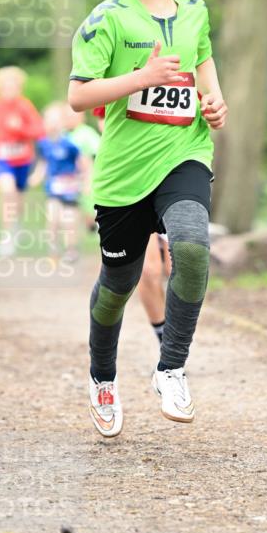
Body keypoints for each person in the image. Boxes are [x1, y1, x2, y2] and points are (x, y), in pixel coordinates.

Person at [68, 0, 227, 437]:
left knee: (191, 245)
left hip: (185, 151)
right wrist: (139, 79)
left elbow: (202, 59)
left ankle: (172, 366)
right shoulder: (105, 20)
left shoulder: (195, 9)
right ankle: (102, 377)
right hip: (123, 171)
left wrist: (214, 98)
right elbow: (79, 97)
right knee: (120, 281)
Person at [92, 105, 173, 350]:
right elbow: (104, 119)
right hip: (136, 183)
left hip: (175, 178)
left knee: (176, 267)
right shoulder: (123, 70)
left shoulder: (187, 69)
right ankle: (165, 345)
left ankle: (177, 334)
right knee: (149, 271)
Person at [0, 66, 45, 256]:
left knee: (18, 200)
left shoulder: (25, 106)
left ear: (19, 87)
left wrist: (21, 128)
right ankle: (6, 237)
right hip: (3, 159)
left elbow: (39, 131)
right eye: (4, 87)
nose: (8, 90)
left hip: (23, 160)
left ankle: (15, 227)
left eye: (12, 86)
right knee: (7, 193)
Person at [29, 102, 86, 261]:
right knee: (52, 219)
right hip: (53, 189)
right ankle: (53, 248)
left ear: (63, 123)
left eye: (56, 121)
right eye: (49, 120)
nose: (52, 124)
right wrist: (36, 176)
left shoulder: (70, 143)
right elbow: (43, 163)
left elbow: (82, 162)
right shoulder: (43, 144)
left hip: (70, 189)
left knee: (68, 220)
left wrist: (85, 179)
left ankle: (71, 250)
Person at [64, 105, 101, 233]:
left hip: (88, 179)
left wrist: (90, 179)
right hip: (71, 181)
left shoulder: (86, 133)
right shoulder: (65, 135)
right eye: (66, 116)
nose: (69, 119)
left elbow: (96, 156)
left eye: (72, 115)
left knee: (92, 213)